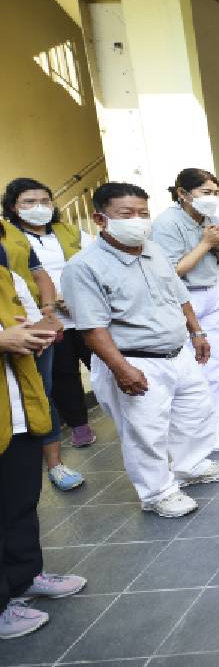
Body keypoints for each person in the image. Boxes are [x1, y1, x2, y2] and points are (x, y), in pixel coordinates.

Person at [61, 183, 219, 518]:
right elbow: (91, 328)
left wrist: (196, 332)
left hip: (177, 352)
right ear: (100, 218)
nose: (139, 220)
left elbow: (179, 294)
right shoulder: (83, 267)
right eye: (127, 214)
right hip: (134, 359)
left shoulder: (151, 249)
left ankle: (191, 466)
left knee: (194, 413)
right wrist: (121, 368)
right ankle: (157, 493)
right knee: (145, 433)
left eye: (143, 213)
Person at [0, 262, 87, 639]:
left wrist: (36, 333)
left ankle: (23, 578)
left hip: (18, 407)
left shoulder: (4, 275)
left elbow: (27, 319)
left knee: (19, 502)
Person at [2, 179, 92, 492]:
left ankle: (55, 465)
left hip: (32, 326)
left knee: (42, 391)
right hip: (8, 329)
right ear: (13, 205)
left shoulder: (11, 234)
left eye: (44, 200)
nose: (38, 207)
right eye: (28, 202)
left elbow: (37, 274)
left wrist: (46, 311)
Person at [151, 169, 219, 448]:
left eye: (215, 193)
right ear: (183, 193)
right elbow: (173, 271)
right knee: (194, 371)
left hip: (212, 293)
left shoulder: (211, 220)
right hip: (185, 298)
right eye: (206, 193)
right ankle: (203, 434)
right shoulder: (167, 223)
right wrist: (206, 243)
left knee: (216, 365)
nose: (212, 198)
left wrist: (215, 247)